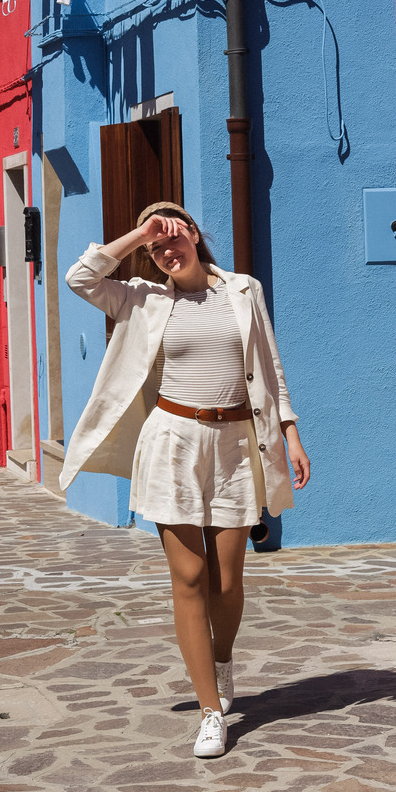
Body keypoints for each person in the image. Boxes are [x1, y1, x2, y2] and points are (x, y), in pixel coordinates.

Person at [59, 202, 310, 758]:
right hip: (173, 442)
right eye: (156, 247)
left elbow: (270, 364)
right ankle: (210, 712)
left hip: (237, 444)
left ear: (195, 236)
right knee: (189, 576)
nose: (166, 251)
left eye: (173, 238)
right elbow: (80, 277)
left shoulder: (243, 290)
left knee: (227, 581)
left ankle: (221, 664)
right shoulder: (143, 299)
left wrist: (289, 432)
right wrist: (138, 234)